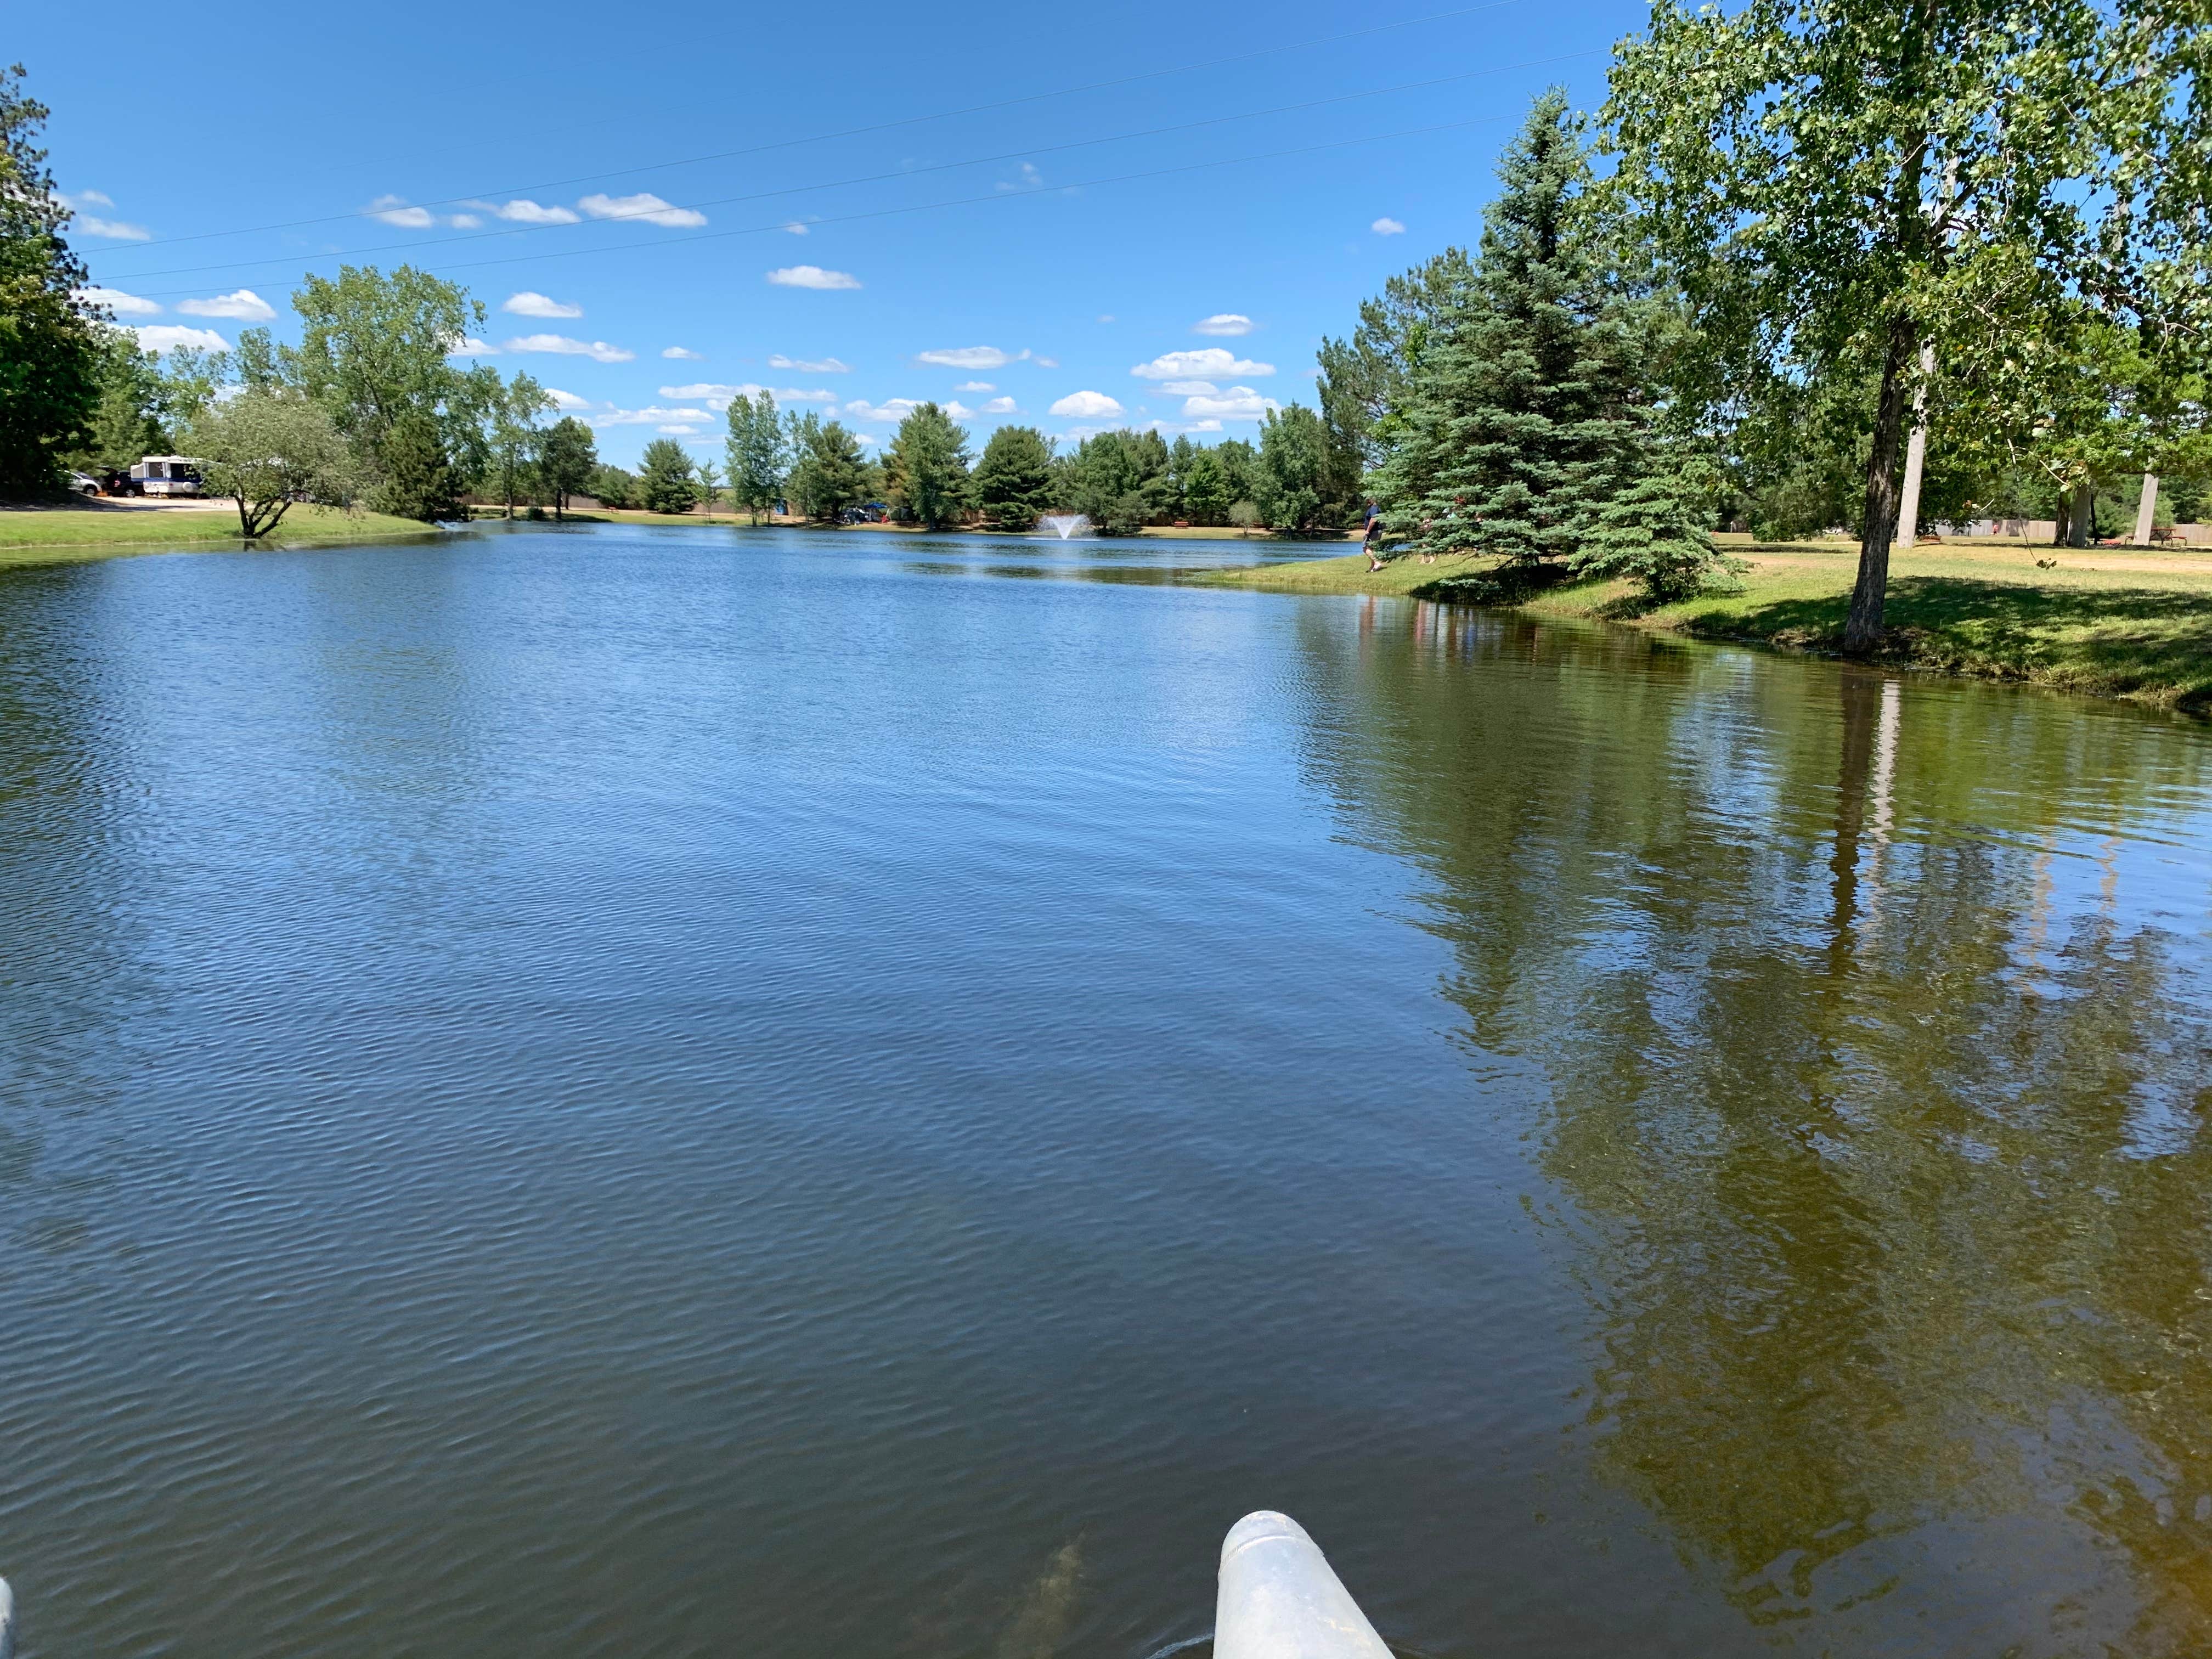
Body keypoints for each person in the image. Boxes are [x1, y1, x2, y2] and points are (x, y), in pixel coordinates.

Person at [1363, 504, 1387, 572]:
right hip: (1376, 531)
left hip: (1374, 531)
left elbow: (1373, 519)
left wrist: (1368, 530)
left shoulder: (1374, 508)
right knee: (1372, 549)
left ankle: (1377, 563)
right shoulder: (1375, 508)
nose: (1367, 501)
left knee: (1366, 548)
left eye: (1369, 499)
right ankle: (1373, 566)